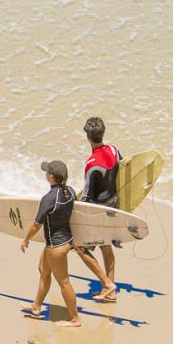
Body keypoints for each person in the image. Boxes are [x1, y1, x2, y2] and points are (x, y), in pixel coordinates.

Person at [19, 160, 81, 328]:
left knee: (64, 282)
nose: (45, 174)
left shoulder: (48, 198)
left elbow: (36, 224)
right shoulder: (70, 191)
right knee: (43, 271)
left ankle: (75, 319)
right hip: (65, 241)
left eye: (47, 172)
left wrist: (26, 239)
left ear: (51, 177)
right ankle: (37, 306)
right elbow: (77, 216)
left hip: (56, 246)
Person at [75, 116, 122, 302]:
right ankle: (110, 290)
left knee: (78, 247)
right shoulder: (114, 150)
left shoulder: (91, 164)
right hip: (114, 205)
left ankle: (108, 285)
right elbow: (125, 172)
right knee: (106, 248)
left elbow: (87, 196)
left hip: (99, 211)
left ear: (88, 137)